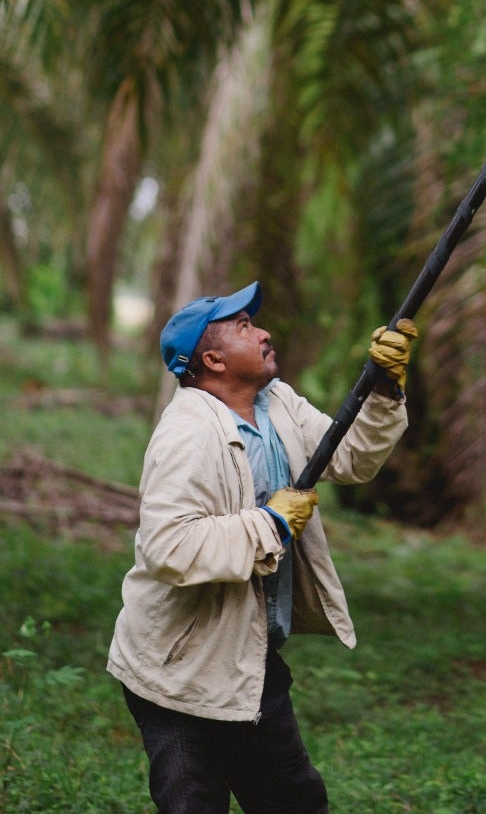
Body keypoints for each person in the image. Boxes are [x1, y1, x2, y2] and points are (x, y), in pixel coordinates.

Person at [108, 281, 416, 814]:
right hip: (176, 675)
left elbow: (350, 458)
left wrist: (384, 389)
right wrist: (269, 524)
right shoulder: (187, 433)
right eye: (245, 327)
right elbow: (167, 544)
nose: (264, 332)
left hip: (249, 663)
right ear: (213, 359)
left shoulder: (277, 405)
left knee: (293, 802)